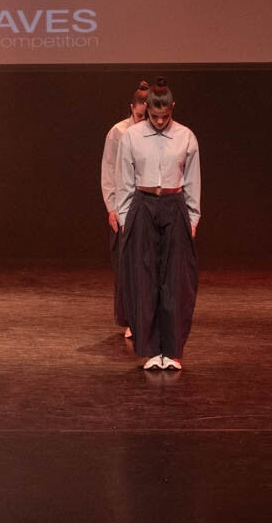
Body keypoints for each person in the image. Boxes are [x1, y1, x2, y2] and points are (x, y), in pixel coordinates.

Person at [117, 77, 200, 371]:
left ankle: (172, 351)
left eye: (165, 116)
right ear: (147, 109)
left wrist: (193, 217)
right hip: (143, 202)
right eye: (154, 116)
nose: (160, 121)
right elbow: (124, 180)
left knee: (176, 280)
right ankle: (151, 349)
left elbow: (192, 180)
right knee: (145, 279)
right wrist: (125, 218)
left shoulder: (186, 136)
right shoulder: (132, 136)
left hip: (174, 204)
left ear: (172, 108)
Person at [100, 81, 149, 339]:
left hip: (147, 204)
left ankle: (147, 316)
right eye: (139, 116)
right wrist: (111, 207)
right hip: (123, 206)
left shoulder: (156, 134)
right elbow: (109, 170)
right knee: (125, 265)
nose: (143, 121)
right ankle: (130, 317)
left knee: (147, 265)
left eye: (147, 116)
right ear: (132, 108)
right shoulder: (118, 132)